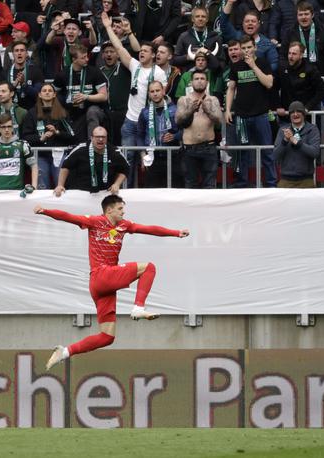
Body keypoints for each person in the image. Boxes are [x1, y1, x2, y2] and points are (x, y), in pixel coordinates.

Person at [36, 194, 190, 370]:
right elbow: (68, 216)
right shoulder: (95, 221)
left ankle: (64, 353)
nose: (123, 212)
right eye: (120, 209)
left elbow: (150, 229)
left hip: (101, 286)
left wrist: (175, 233)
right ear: (109, 210)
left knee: (107, 337)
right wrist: (45, 211)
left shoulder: (124, 226)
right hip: (102, 275)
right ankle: (138, 307)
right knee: (149, 267)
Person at [102, 12, 166, 176]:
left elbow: (162, 97)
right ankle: (127, 192)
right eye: (141, 51)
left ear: (153, 55)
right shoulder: (134, 66)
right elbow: (119, 47)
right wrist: (108, 27)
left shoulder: (158, 73)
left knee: (150, 160)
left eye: (146, 51)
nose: (141, 53)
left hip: (150, 120)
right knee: (127, 158)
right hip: (130, 120)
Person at [225, 35, 276, 188]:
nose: (246, 50)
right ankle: (242, 184)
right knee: (243, 153)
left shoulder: (263, 62)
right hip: (241, 116)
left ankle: (271, 184)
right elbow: (231, 88)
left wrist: (254, 66)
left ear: (255, 47)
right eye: (244, 48)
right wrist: (228, 109)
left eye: (249, 47)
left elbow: (269, 84)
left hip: (261, 114)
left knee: (267, 151)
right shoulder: (235, 66)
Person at [20, 82, 74, 189]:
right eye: (44, 91)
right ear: (39, 95)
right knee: (42, 187)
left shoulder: (63, 113)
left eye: (50, 91)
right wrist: (41, 138)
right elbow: (25, 137)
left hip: (58, 154)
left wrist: (57, 132)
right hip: (40, 155)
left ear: (54, 94)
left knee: (60, 185)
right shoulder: (32, 113)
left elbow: (72, 136)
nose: (47, 93)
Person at [52, 43, 108, 143]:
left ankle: (92, 143)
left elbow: (104, 96)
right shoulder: (63, 74)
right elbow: (52, 93)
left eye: (87, 56)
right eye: (83, 57)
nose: (87, 59)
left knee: (92, 111)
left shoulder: (94, 72)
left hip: (92, 109)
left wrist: (86, 97)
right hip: (71, 110)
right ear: (74, 59)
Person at [176, 70, 223, 188]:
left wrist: (208, 110)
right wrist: (190, 110)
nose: (199, 81)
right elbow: (178, 121)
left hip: (208, 146)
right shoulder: (183, 99)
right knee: (190, 184)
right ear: (191, 82)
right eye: (196, 79)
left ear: (207, 82)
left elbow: (219, 120)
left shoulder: (213, 100)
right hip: (189, 148)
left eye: (202, 79)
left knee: (209, 185)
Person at [54, 126, 129, 196]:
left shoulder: (114, 151)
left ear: (106, 138)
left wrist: (117, 184)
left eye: (103, 137)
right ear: (92, 138)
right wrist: (60, 185)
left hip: (105, 193)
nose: (100, 139)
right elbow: (65, 166)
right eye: (97, 137)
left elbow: (125, 169)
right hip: (81, 193)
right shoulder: (81, 149)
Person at [0, 113, 38, 194]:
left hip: (17, 192)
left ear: (13, 128)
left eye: (9, 126)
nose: (7, 130)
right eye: (3, 127)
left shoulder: (23, 145)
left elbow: (34, 165)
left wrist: (34, 186)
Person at [137, 80, 182, 187]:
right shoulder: (144, 112)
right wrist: (143, 156)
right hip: (152, 157)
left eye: (158, 90)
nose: (155, 93)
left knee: (174, 191)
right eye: (152, 91)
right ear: (148, 94)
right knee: (152, 192)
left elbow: (185, 131)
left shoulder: (175, 109)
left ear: (163, 91)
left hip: (172, 155)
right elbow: (139, 135)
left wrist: (175, 136)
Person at [280, 1, 324, 76]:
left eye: (306, 14)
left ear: (312, 15)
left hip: (320, 75)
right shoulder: (289, 33)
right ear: (297, 16)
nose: (303, 17)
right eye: (300, 15)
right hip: (296, 76)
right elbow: (283, 56)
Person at [220, 1, 279, 72]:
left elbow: (274, 65)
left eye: (253, 21)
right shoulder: (236, 36)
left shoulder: (267, 43)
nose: (250, 23)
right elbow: (224, 23)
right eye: (247, 21)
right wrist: (229, 2)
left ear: (258, 24)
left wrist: (256, 72)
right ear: (242, 24)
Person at [273, 101, 320, 188]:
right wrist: (285, 141)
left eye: (299, 111)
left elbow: (315, 153)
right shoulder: (282, 130)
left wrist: (297, 142)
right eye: (292, 112)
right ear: (289, 115)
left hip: (306, 181)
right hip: (285, 181)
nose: (295, 114)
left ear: (304, 114)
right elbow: (275, 156)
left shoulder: (312, 129)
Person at [277, 42, 324, 117]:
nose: (290, 56)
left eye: (294, 54)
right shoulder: (282, 68)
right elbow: (274, 88)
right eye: (289, 53)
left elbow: (322, 90)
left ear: (301, 55)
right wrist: (278, 106)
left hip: (307, 115)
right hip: (287, 114)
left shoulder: (310, 69)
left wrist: (308, 107)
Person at [172, 5, 225, 73]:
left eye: (203, 16)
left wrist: (208, 54)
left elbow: (222, 63)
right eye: (197, 16)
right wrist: (188, 57)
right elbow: (174, 60)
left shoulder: (215, 37)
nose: (200, 19)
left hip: (210, 76)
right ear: (192, 19)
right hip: (189, 76)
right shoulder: (184, 36)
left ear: (207, 19)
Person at [100, 41, 131, 146]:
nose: (109, 54)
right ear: (102, 55)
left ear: (118, 54)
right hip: (105, 114)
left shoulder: (125, 69)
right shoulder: (98, 72)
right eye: (106, 52)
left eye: (112, 51)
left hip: (122, 113)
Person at [2, 40, 44, 110]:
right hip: (10, 110)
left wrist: (24, 85)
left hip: (30, 110)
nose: (19, 53)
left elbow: (38, 95)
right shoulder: (5, 73)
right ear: (12, 54)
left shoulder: (36, 71)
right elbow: (1, 96)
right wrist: (13, 85)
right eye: (16, 51)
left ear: (27, 54)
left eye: (22, 50)